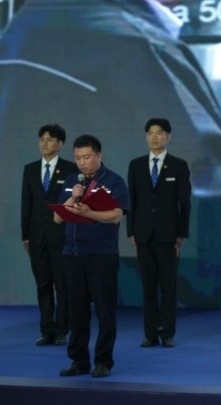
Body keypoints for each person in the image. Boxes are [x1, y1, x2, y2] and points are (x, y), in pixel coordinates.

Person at [54, 134, 129, 378]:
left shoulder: (113, 181)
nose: (82, 162)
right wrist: (71, 197)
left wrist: (89, 213)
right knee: (77, 311)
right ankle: (79, 361)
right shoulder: (71, 181)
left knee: (104, 311)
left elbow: (116, 215)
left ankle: (103, 361)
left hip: (101, 255)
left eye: (86, 157)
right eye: (78, 158)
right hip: (72, 254)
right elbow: (57, 217)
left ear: (98, 155)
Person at [127, 118, 191, 348]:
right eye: (150, 133)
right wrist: (131, 232)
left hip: (169, 236)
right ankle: (151, 333)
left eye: (159, 133)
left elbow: (185, 202)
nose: (154, 137)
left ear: (168, 136)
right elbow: (131, 201)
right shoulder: (136, 165)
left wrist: (181, 234)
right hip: (143, 234)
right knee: (148, 286)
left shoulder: (178, 165)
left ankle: (168, 333)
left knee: (168, 286)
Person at [21, 124, 78, 346]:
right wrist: (26, 235)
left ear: (60, 143)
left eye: (50, 139)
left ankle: (62, 329)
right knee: (43, 286)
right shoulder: (30, 169)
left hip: (62, 236)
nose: (44, 143)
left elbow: (74, 205)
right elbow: (26, 204)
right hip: (37, 238)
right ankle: (47, 330)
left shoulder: (71, 169)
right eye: (42, 139)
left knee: (63, 286)